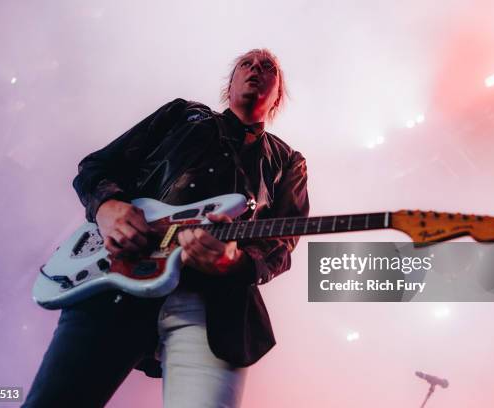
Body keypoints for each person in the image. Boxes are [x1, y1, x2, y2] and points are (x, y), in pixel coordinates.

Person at [22, 48, 309, 408]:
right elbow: (97, 165)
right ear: (230, 84)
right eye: (246, 64)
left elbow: (281, 243)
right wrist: (108, 207)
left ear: (278, 93)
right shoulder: (182, 115)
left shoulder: (287, 162)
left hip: (213, 310)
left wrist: (234, 261)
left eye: (268, 68)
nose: (256, 69)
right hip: (116, 279)